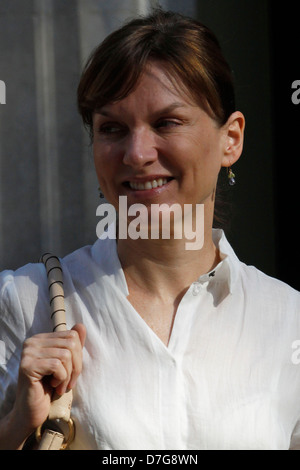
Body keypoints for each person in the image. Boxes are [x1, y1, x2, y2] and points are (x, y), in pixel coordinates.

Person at [0, 8, 299, 450]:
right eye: (112, 128)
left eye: (167, 123)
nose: (137, 153)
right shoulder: (26, 303)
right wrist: (15, 429)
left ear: (230, 139)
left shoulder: (287, 320)